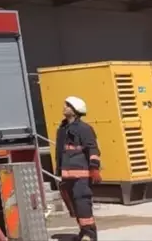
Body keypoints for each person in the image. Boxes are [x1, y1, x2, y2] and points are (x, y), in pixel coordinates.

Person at [56, 96, 101, 241]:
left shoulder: (84, 129)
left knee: (82, 203)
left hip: (81, 176)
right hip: (67, 175)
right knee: (74, 207)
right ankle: (84, 232)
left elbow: (93, 149)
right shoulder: (62, 130)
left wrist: (94, 168)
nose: (64, 107)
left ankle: (89, 235)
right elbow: (60, 153)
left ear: (75, 110)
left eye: (68, 105)